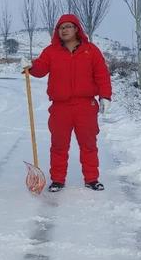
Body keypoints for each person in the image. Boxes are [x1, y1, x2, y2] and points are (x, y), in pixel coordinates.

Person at [25, 14, 112, 192]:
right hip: (60, 107)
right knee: (59, 145)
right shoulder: (51, 51)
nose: (64, 30)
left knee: (88, 144)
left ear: (76, 29)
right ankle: (57, 179)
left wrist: (105, 96)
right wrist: (30, 66)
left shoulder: (91, 50)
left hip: (85, 106)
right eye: (61, 27)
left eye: (68, 27)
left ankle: (92, 178)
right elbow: (40, 69)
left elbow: (102, 74)